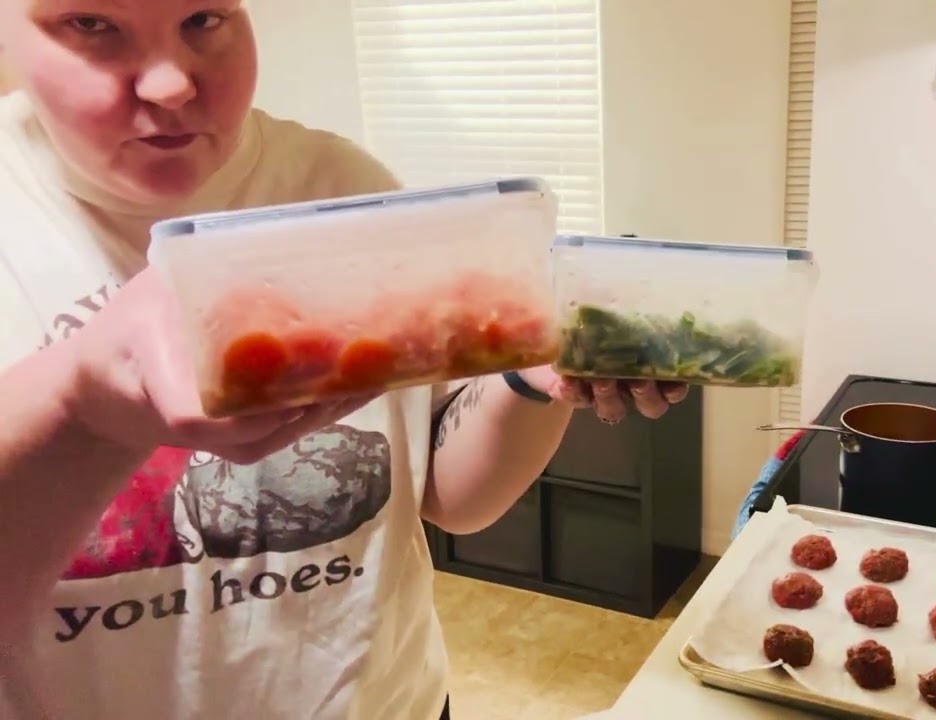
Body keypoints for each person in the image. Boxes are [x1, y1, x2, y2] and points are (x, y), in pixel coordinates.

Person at [0, 2, 687, 718]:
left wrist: (529, 377)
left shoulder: (341, 187)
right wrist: (79, 400)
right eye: (90, 24)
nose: (172, 83)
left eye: (204, 17)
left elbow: (451, 497)